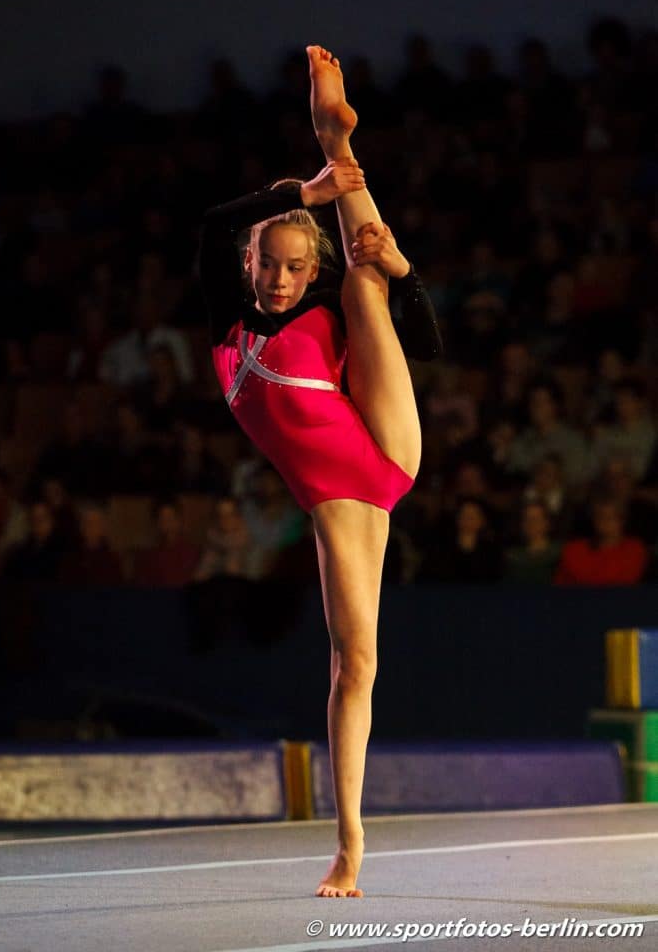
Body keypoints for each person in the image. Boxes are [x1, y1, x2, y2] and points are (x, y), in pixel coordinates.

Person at [196, 44, 442, 897]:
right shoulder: (235, 327)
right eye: (267, 265)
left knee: (370, 284)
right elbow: (207, 227)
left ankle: (337, 139)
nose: (278, 279)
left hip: (380, 446)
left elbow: (428, 340)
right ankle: (350, 844)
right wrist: (297, 194)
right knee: (355, 663)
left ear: (306, 271)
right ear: (248, 265)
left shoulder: (319, 315)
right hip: (347, 492)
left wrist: (399, 267)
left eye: (295, 267)